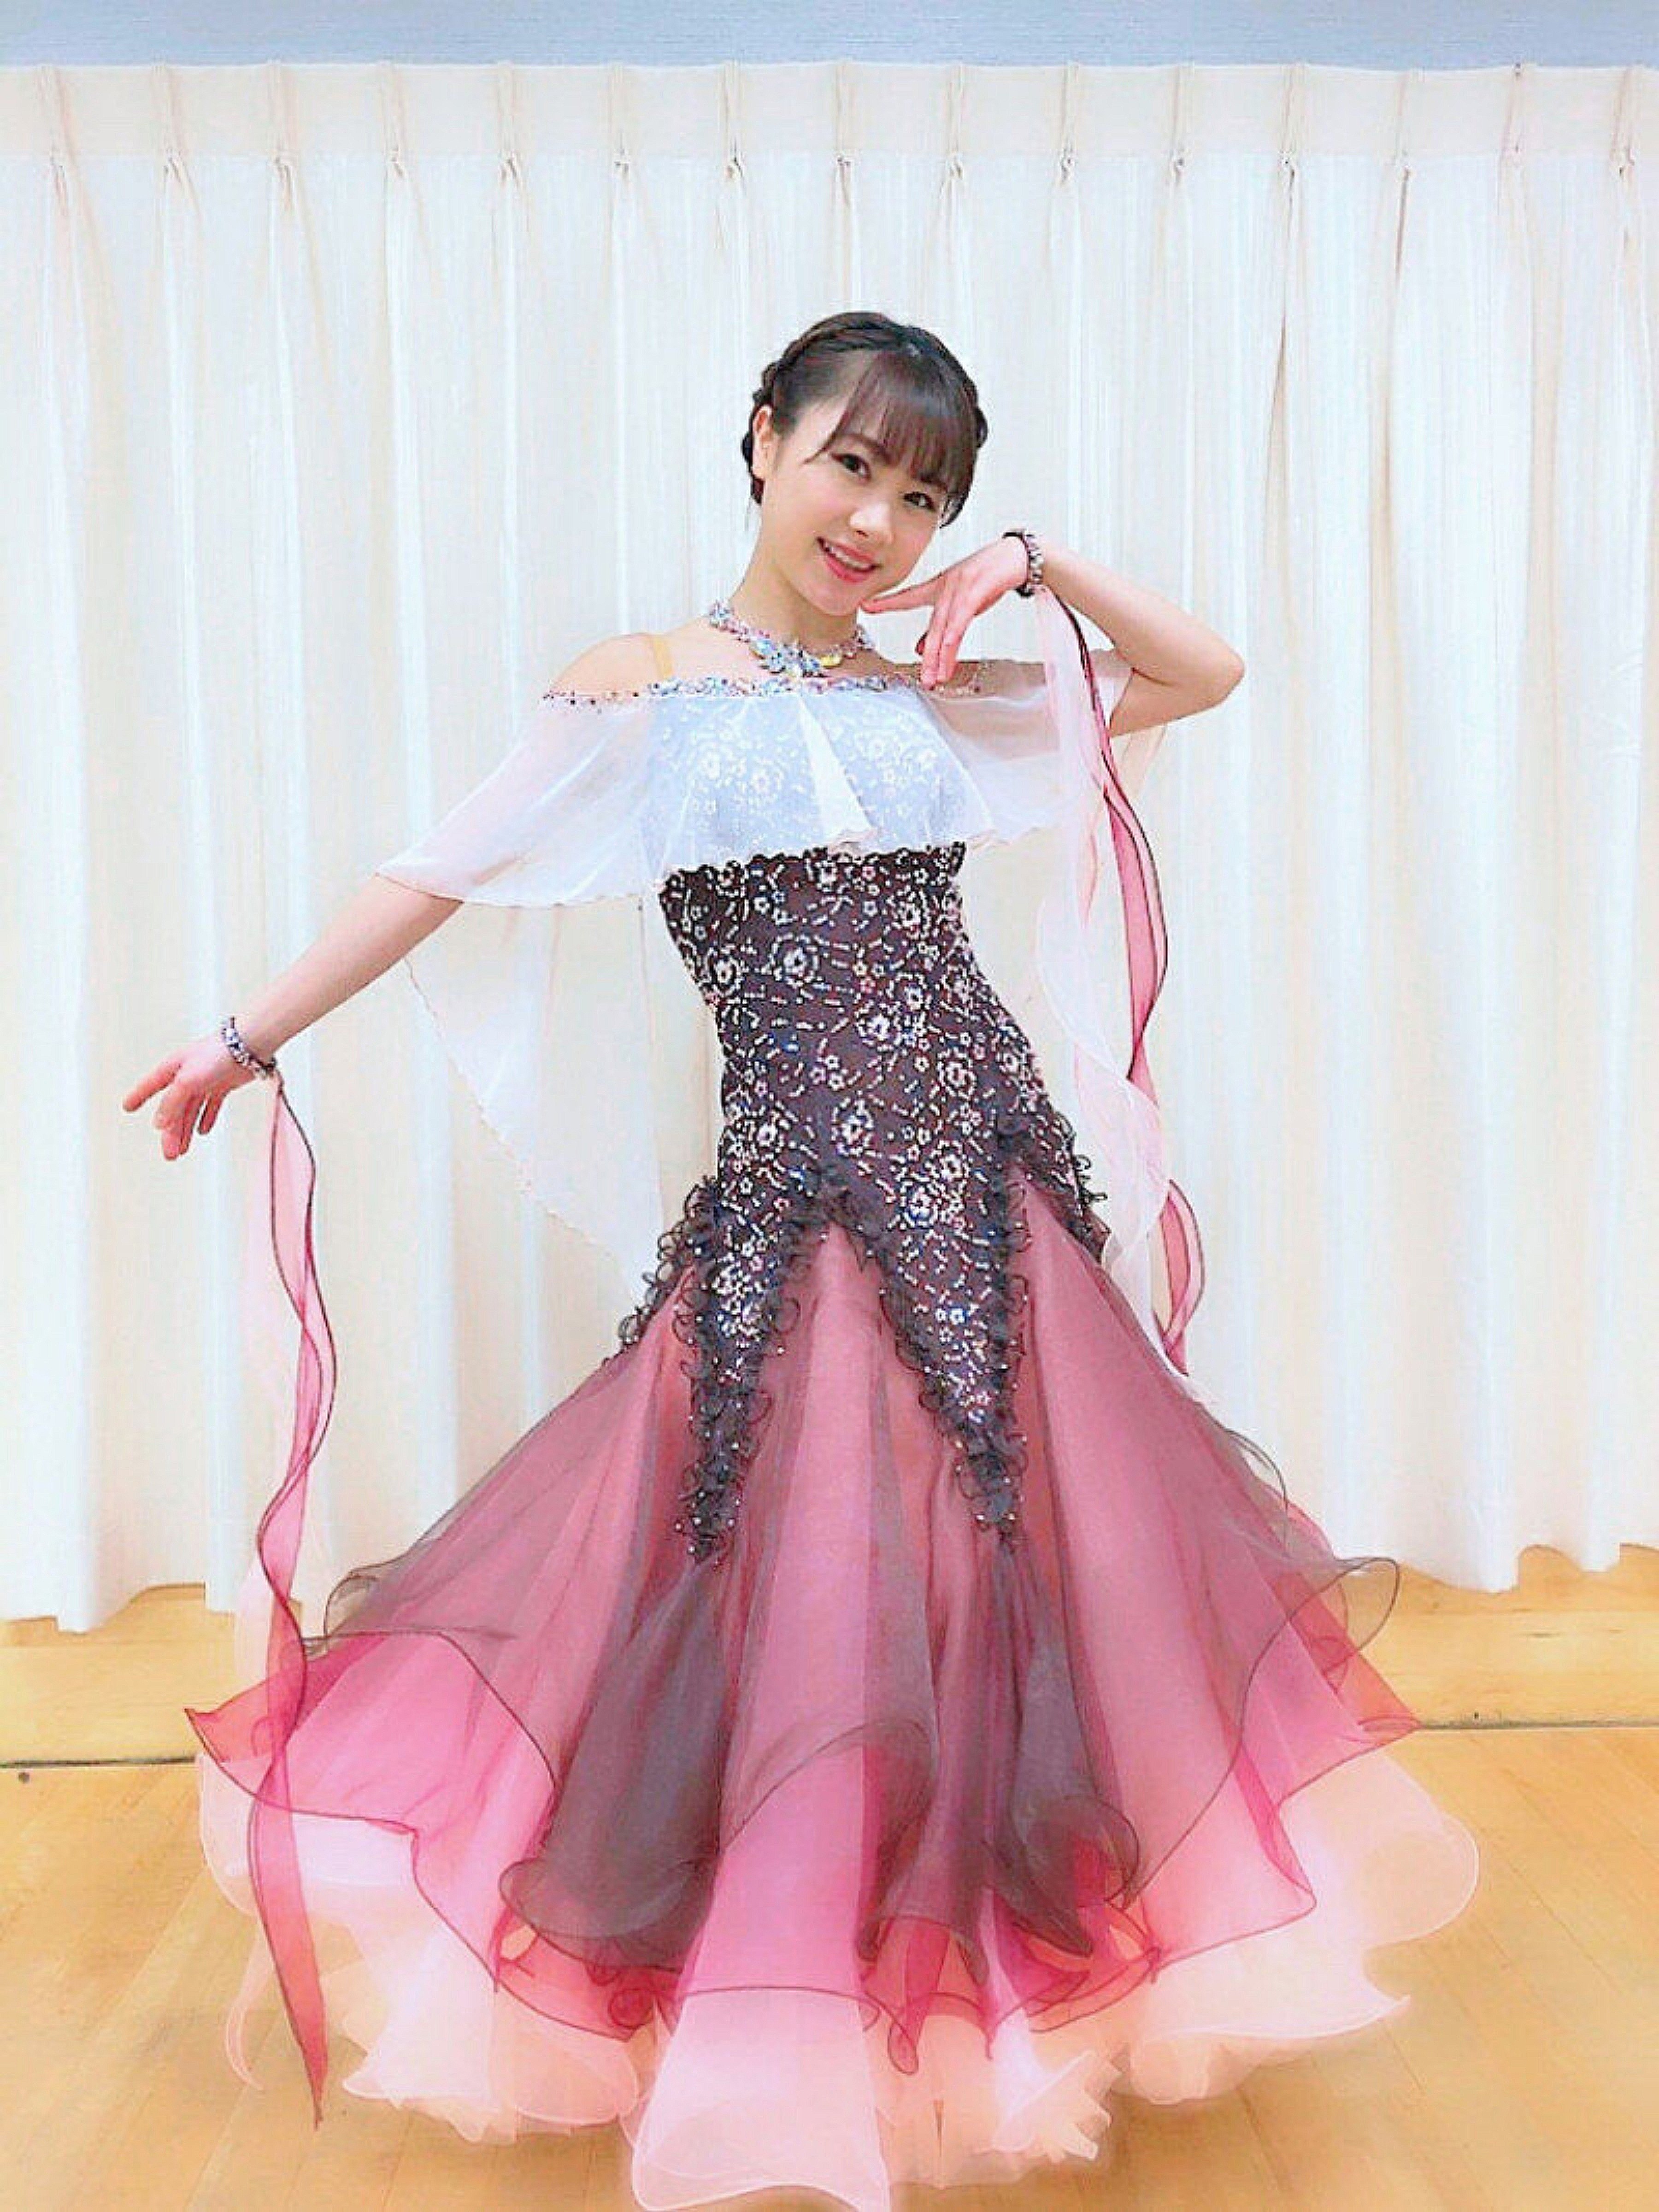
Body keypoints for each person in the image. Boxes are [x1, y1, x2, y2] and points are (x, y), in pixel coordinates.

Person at [124, 311, 1479, 2208]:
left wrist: (1037, 566)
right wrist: (241, 1037)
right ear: (763, 438)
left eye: (924, 498)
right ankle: (785, 1992)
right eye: (852, 464)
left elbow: (1206, 672)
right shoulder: (640, 692)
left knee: (1006, 1580)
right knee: (813, 1593)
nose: (877, 521)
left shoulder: (932, 694)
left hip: (991, 1195)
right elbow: (436, 869)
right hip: (805, 1201)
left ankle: (979, 1988)